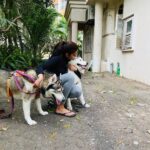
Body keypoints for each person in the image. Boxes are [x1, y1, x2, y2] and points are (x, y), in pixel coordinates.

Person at [34, 41, 82, 117]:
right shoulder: (57, 58)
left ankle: (56, 101)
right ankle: (60, 107)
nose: (75, 56)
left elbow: (79, 77)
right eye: (74, 54)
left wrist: (75, 70)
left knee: (77, 91)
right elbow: (40, 67)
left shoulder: (67, 60)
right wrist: (40, 77)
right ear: (67, 54)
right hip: (49, 86)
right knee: (70, 77)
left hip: (58, 86)